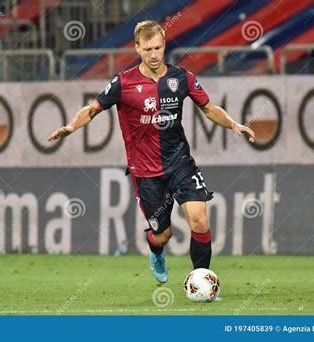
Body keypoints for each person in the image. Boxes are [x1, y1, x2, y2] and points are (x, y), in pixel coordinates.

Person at [48, 20, 255, 283]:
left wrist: (234, 124)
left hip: (180, 163)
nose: (154, 54)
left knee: (199, 219)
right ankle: (156, 251)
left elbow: (210, 109)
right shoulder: (123, 83)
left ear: (164, 44)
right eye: (147, 49)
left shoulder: (182, 77)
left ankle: (201, 280)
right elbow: (92, 109)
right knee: (163, 235)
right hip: (146, 173)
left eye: (157, 48)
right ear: (137, 48)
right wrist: (70, 126)